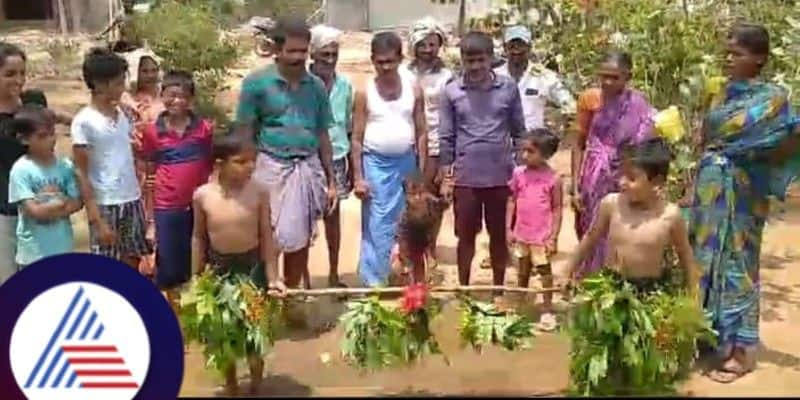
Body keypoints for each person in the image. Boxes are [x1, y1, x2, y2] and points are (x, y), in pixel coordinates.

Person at [688, 24, 800, 383]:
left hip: (744, 191)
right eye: (728, 51)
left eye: (737, 53)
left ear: (759, 58)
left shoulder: (774, 99)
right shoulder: (718, 95)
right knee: (704, 261)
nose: (729, 58)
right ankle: (709, 337)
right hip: (709, 192)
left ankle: (742, 351)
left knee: (738, 265)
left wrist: (756, 157)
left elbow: (789, 140)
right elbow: (704, 138)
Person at [236, 16, 337, 289]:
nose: (298, 57)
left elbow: (322, 134)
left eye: (303, 51)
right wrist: (243, 176)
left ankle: (291, 298)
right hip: (269, 167)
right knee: (265, 236)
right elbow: (245, 132)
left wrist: (331, 181)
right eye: (291, 51)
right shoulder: (256, 84)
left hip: (306, 167)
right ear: (276, 50)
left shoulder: (316, 86)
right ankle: (261, 301)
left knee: (299, 239)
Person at [191, 133, 283, 396]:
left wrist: (273, 277)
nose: (250, 166)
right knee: (224, 335)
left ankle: (256, 383)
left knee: (255, 332)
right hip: (219, 270)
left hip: (252, 268)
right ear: (220, 163)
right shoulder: (203, 196)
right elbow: (198, 237)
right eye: (241, 161)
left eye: (252, 160)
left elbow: (267, 235)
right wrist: (197, 277)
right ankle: (231, 385)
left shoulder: (259, 191)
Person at [438, 31, 525, 294]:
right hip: (466, 178)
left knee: (499, 237)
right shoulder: (452, 91)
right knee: (465, 238)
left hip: (501, 176)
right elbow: (446, 136)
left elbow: (519, 131)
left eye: (480, 60)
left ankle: (498, 290)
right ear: (462, 59)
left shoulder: (508, 88)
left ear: (491, 59)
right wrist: (446, 175)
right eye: (469, 60)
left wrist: (521, 170)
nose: (475, 66)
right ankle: (464, 289)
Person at [564, 137, 699, 296]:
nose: (622, 182)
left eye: (631, 178)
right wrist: (567, 271)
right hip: (610, 288)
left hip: (648, 294)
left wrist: (693, 294)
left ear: (657, 182)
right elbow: (589, 239)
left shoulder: (670, 215)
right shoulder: (611, 204)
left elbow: (685, 256)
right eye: (622, 175)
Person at [352, 31, 427, 287]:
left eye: (390, 61)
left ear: (400, 59)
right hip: (375, 163)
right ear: (372, 60)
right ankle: (375, 282)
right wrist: (359, 178)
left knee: (407, 221)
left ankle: (403, 278)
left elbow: (422, 131)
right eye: (380, 62)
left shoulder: (413, 88)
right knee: (377, 222)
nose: (385, 67)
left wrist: (421, 171)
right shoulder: (365, 92)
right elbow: (357, 138)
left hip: (406, 162)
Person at [571, 50, 655, 277]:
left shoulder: (638, 104)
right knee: (590, 229)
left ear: (628, 76)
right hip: (592, 179)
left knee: (619, 229)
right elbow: (578, 143)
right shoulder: (590, 99)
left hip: (623, 178)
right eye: (603, 76)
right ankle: (589, 281)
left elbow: (644, 144)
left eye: (614, 77)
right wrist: (575, 186)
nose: (607, 82)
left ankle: (614, 282)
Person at [139, 70, 213, 311]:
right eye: (170, 95)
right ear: (162, 97)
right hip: (167, 206)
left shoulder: (204, 129)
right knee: (170, 265)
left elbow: (212, 165)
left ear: (191, 100)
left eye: (182, 96)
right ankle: (176, 315)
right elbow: (149, 172)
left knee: (200, 258)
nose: (176, 101)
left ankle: (198, 312)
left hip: (200, 205)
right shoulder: (152, 132)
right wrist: (150, 218)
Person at [72, 47, 151, 268]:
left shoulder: (124, 115)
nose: (122, 88)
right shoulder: (84, 122)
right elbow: (81, 171)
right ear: (98, 84)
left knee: (133, 261)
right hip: (105, 203)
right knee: (105, 268)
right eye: (117, 83)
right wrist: (95, 218)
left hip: (131, 198)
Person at [401, 17, 453, 268]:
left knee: (433, 200)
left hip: (435, 143)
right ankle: (406, 249)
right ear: (414, 45)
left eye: (433, 44)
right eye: (423, 44)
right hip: (406, 143)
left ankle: (430, 247)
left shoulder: (448, 77)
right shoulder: (402, 72)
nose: (428, 49)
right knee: (407, 199)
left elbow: (451, 115)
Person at [8, 105, 82, 269]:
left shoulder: (64, 166)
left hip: (62, 249)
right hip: (33, 255)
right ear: (24, 139)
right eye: (42, 136)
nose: (51, 140)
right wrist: (58, 205)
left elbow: (77, 202)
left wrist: (50, 209)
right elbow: (33, 211)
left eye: (52, 134)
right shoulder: (21, 170)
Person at [309, 24, 353, 289]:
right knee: (304, 222)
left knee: (333, 219)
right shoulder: (302, 84)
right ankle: (303, 281)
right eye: (324, 54)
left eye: (334, 54)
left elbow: (347, 125)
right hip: (306, 157)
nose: (329, 60)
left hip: (337, 157)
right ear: (313, 54)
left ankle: (334, 274)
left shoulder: (345, 86)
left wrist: (350, 166)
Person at [506, 129, 563, 331]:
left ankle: (547, 309)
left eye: (530, 151)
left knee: (544, 272)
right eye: (524, 151)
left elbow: (556, 209)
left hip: (541, 236)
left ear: (545, 154)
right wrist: (508, 228)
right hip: (522, 233)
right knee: (522, 270)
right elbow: (512, 200)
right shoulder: (518, 174)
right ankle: (520, 304)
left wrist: (553, 237)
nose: (524, 156)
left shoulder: (553, 179)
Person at [121, 50, 164, 276]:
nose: (149, 75)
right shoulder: (128, 101)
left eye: (153, 70)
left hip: (161, 166)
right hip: (135, 167)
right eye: (144, 70)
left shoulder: (166, 99)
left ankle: (157, 265)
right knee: (138, 214)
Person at [495, 25, 575, 132]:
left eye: (521, 45)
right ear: (505, 48)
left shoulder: (544, 76)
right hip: (501, 139)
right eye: (512, 46)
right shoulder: (494, 76)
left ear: (529, 47)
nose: (516, 50)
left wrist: (560, 123)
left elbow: (568, 104)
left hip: (533, 142)